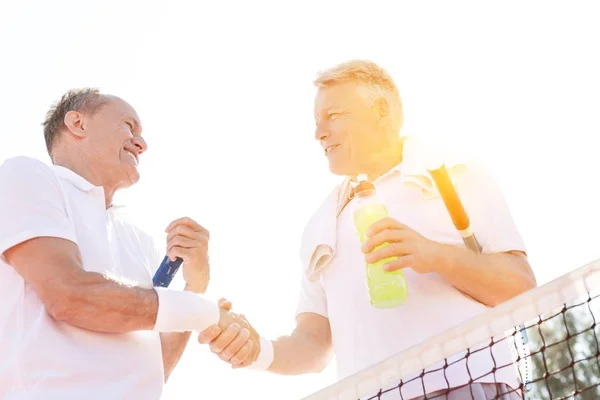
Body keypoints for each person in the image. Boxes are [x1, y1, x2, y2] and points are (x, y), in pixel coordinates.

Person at [199, 60, 537, 399]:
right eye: (316, 122)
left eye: (333, 116)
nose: (319, 134)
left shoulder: (458, 173)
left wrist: (433, 254)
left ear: (381, 111)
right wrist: (254, 348)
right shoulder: (321, 224)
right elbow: (314, 345)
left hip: (467, 385)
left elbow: (521, 287)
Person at [0, 88, 262, 399]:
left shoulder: (138, 237)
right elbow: (68, 295)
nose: (142, 143)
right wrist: (204, 313)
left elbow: (155, 367)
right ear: (77, 123)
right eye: (128, 125)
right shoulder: (27, 175)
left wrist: (195, 286)